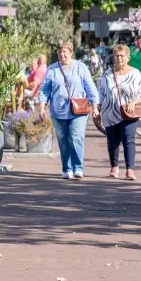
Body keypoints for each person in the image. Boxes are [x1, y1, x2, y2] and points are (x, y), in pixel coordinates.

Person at [37, 40, 100, 180]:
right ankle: (67, 168)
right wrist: (42, 107)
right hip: (58, 110)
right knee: (63, 140)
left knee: (76, 137)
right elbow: (45, 90)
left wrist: (95, 106)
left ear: (71, 52)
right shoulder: (52, 69)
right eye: (59, 52)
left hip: (79, 110)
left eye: (64, 51)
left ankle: (78, 167)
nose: (62, 54)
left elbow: (90, 87)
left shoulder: (81, 67)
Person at [97, 44, 141, 181]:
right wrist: (96, 110)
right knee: (112, 141)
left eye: (122, 56)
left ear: (127, 57)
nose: (119, 58)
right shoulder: (107, 75)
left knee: (128, 140)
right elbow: (100, 94)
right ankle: (114, 167)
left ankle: (129, 170)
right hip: (110, 113)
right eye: (116, 56)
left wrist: (133, 102)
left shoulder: (135, 74)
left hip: (129, 114)